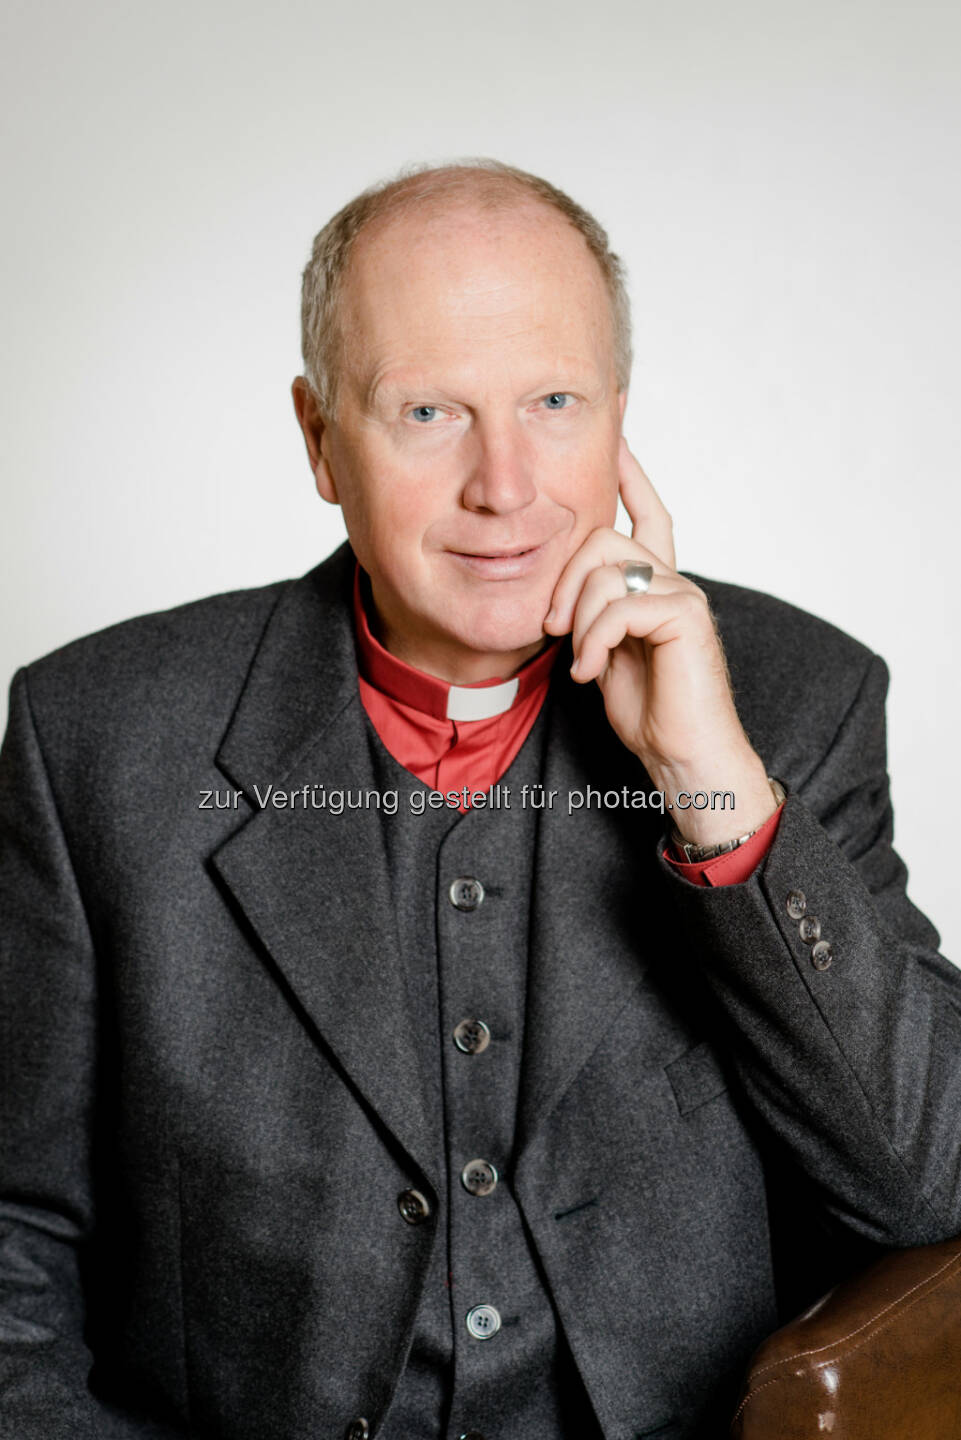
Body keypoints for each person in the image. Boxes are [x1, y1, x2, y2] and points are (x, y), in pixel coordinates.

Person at [1, 159, 959, 1440]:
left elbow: (927, 1186)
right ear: (319, 438)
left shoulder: (794, 698)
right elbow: (13, 1241)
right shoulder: (95, 735)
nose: (504, 485)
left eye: (554, 401)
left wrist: (712, 789)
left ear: (621, 414)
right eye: (428, 413)